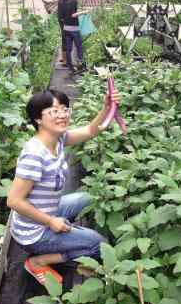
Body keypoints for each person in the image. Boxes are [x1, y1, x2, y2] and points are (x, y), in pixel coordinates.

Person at [7, 88, 120, 285]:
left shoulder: (58, 139)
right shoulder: (34, 155)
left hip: (47, 211)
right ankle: (38, 260)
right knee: (100, 245)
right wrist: (51, 221)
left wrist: (107, 107)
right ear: (38, 119)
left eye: (64, 109)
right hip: (34, 232)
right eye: (53, 111)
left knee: (89, 199)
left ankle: (70, 234)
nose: (62, 115)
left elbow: (91, 131)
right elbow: (14, 200)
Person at [61, 0, 89, 73]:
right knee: (79, 47)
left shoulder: (64, 0)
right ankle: (81, 66)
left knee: (69, 49)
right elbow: (73, 15)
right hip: (74, 29)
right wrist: (84, 12)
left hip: (66, 29)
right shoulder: (73, 0)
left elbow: (63, 16)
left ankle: (71, 67)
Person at [57, 0, 78, 66]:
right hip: (65, 20)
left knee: (64, 37)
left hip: (61, 19)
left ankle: (63, 57)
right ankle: (66, 60)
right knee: (67, 38)